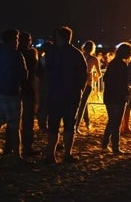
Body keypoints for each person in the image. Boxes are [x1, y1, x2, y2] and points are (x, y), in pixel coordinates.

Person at [44, 26, 88, 163]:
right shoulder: (76, 54)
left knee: (53, 125)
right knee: (69, 125)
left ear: (59, 36)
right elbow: (83, 75)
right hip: (71, 95)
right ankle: (67, 154)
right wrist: (78, 90)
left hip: (55, 93)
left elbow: (46, 72)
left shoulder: (52, 53)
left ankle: (51, 155)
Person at [0, 29, 28, 162]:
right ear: (11, 40)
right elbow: (24, 75)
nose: (17, 42)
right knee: (15, 127)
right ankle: (17, 155)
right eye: (16, 39)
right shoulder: (16, 55)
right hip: (12, 93)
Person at [101, 42, 131, 154]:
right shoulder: (123, 66)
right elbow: (125, 82)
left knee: (112, 120)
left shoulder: (112, 63)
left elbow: (105, 79)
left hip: (109, 95)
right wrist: (127, 93)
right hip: (119, 97)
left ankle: (105, 142)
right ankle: (115, 147)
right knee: (116, 122)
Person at [18, 31, 39, 157]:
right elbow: (34, 75)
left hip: (15, 90)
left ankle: (10, 147)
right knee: (27, 121)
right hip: (28, 90)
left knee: (14, 121)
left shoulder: (15, 54)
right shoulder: (31, 54)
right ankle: (27, 147)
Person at [75, 40, 101, 135]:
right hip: (88, 83)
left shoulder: (79, 56)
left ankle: (86, 122)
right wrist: (93, 78)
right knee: (82, 104)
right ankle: (77, 126)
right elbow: (99, 74)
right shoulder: (94, 59)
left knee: (82, 103)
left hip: (78, 82)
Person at [120, 38, 131, 135]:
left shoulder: (126, 60)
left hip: (126, 86)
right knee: (127, 107)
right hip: (127, 87)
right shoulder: (129, 61)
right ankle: (125, 126)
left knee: (126, 107)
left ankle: (124, 126)